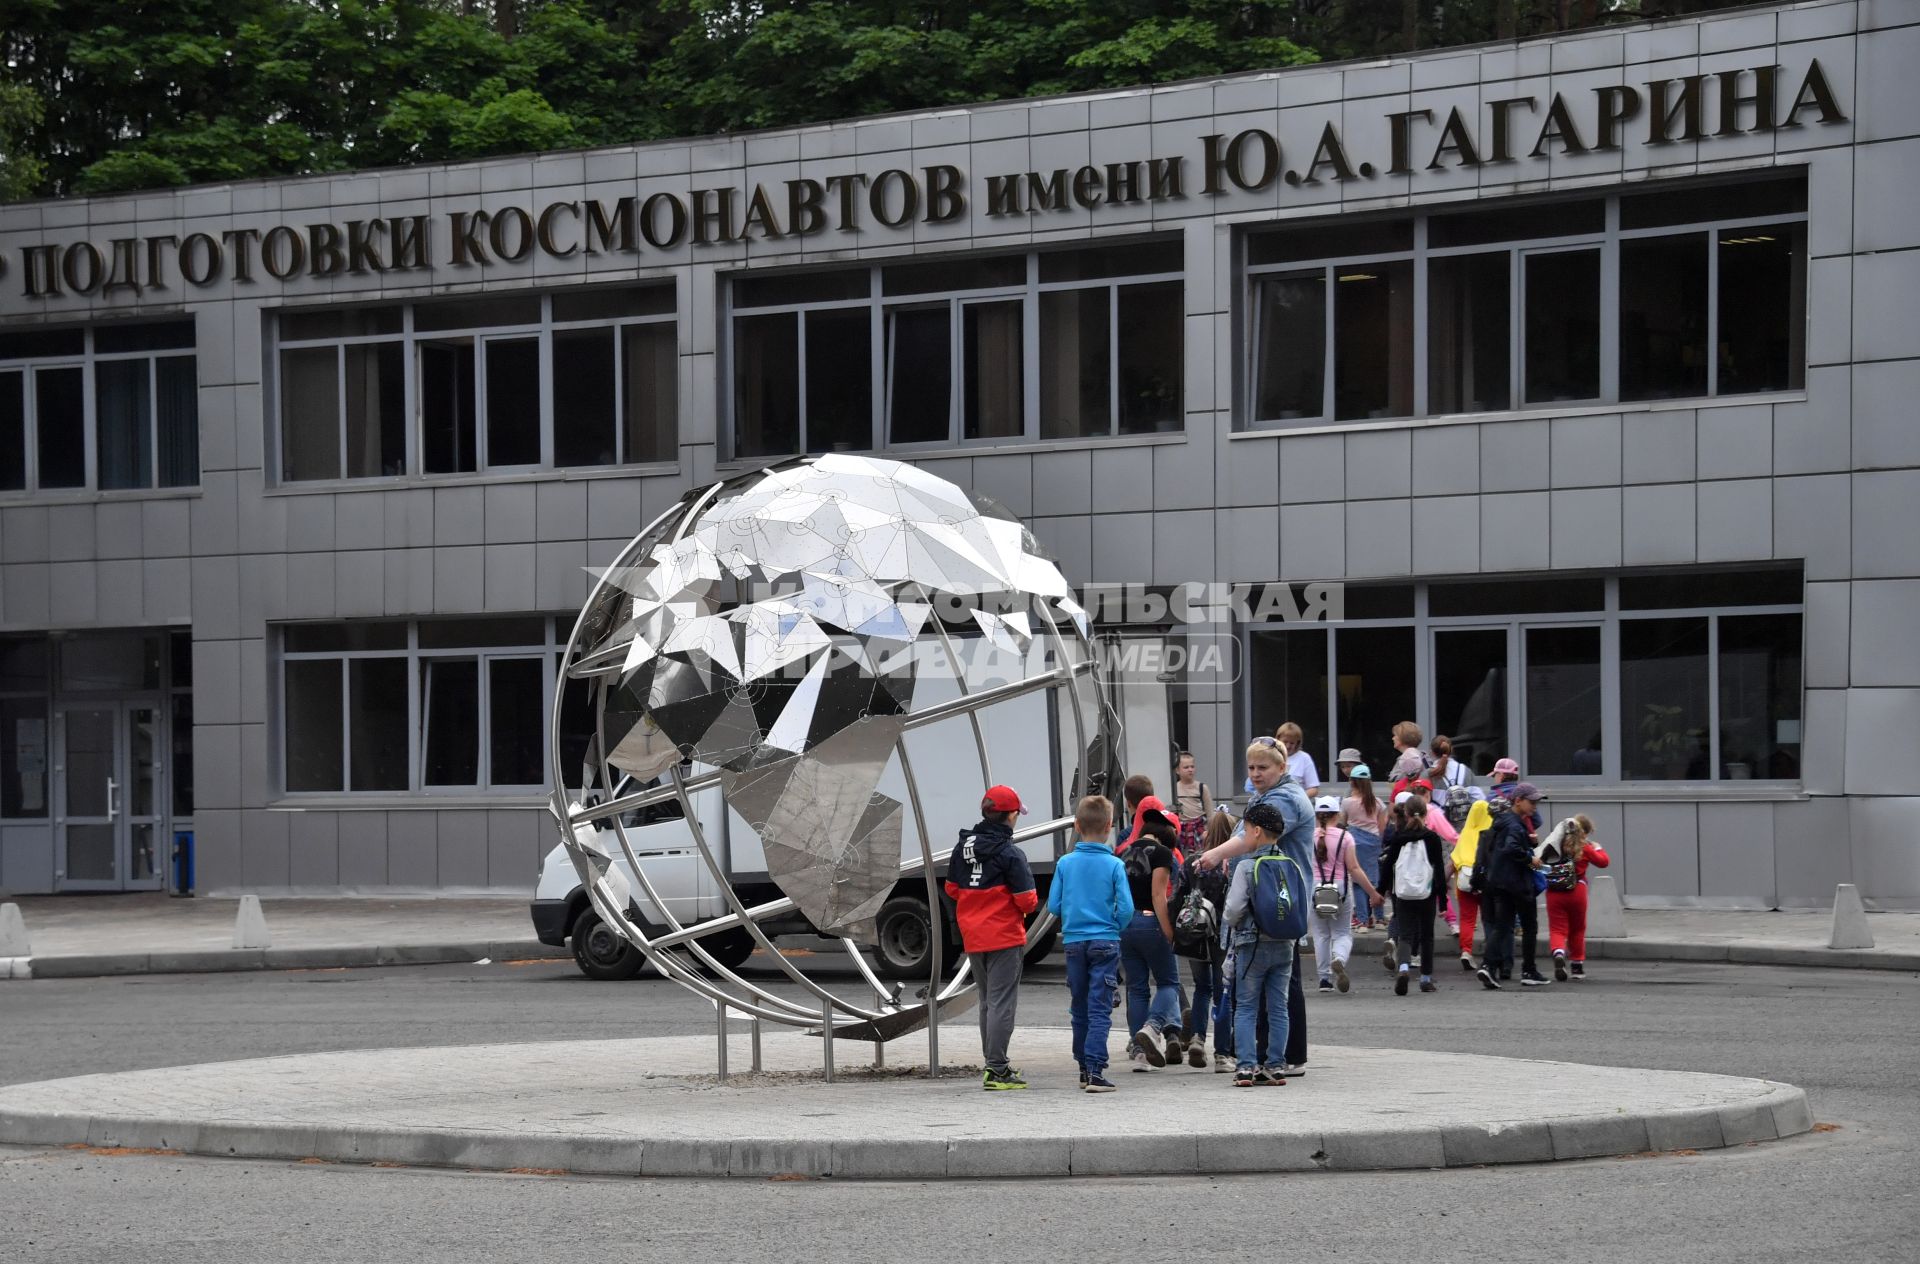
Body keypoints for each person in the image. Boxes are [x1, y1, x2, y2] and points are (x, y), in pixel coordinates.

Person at [1197, 736, 1314, 1078]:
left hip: (1273, 906)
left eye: (1263, 767)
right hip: (1275, 905)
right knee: (1279, 985)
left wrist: (1216, 853)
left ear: (1282, 767)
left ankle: (1278, 1057)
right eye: (1251, 767)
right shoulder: (1267, 796)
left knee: (1270, 989)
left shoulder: (1286, 799)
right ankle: (1274, 1057)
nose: (1256, 773)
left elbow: (1253, 837)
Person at [944, 785, 1040, 1090]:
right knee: (1002, 1002)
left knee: (987, 1001)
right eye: (1016, 814)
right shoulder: (1011, 853)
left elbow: (952, 889)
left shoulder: (963, 848)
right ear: (1009, 816)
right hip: (1004, 934)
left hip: (973, 934)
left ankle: (992, 1063)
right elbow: (1027, 900)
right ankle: (997, 1069)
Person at [1047, 795, 1133, 1092]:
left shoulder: (1065, 863)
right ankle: (1097, 1070)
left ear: (1076, 826)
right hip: (1105, 942)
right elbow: (1126, 909)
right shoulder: (1114, 865)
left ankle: (1083, 1067)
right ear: (1110, 826)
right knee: (1100, 1008)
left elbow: (1054, 905)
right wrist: (1113, 926)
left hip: (1074, 943)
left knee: (1079, 1007)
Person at [1220, 800, 1295, 1086]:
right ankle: (1276, 1066)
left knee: (1247, 1006)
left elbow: (1233, 910)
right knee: (1278, 1006)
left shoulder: (1247, 867)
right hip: (1284, 943)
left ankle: (1245, 1067)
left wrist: (1231, 922)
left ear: (1256, 831)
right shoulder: (1290, 865)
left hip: (1251, 944)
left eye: (1246, 829)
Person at [1119, 802, 1186, 1069]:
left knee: (1136, 988)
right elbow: (1159, 895)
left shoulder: (1123, 853)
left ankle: (1140, 1055)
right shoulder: (1161, 854)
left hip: (1125, 924)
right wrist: (1168, 931)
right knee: (1169, 982)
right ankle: (1153, 1026)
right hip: (1150, 921)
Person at [1474, 782, 1547, 990]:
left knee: (1502, 926)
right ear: (1518, 801)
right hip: (1518, 883)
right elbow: (1510, 848)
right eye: (1531, 802)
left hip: (1500, 882)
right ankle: (1529, 970)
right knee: (1530, 927)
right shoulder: (1515, 825)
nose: (1534, 807)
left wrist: (1529, 843)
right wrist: (1529, 857)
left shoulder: (1503, 822)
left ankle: (1487, 965)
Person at [1307, 795, 1382, 993]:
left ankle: (1324, 980)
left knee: (1321, 935)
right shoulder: (1345, 837)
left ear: (1316, 815)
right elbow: (1354, 868)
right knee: (1342, 933)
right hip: (1339, 887)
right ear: (1338, 815)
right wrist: (1372, 893)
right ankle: (1338, 959)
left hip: (1315, 888)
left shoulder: (1309, 836)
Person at [1380, 791, 1448, 995]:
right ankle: (1426, 979)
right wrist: (1443, 900)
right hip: (1426, 893)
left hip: (1402, 893)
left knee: (1406, 935)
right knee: (1427, 936)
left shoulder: (1399, 837)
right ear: (1426, 814)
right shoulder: (1432, 838)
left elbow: (1388, 866)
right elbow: (1438, 869)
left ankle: (1403, 968)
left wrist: (1381, 892)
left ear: (1406, 814)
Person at [1544, 813, 1610, 981]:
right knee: (1577, 929)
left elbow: (1535, 863)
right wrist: (1597, 848)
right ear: (1584, 832)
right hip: (1577, 891)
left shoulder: (1553, 846)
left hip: (1554, 892)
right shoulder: (1584, 848)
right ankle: (1577, 966)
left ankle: (1558, 952)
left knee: (1557, 929)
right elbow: (1604, 862)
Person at [1341, 764, 1389, 931]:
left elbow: (1343, 823)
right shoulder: (1379, 804)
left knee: (1357, 881)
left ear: (1352, 783)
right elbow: (1382, 827)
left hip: (1354, 841)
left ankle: (1362, 919)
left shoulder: (1347, 803)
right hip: (1373, 841)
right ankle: (1380, 918)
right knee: (1374, 879)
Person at [1451, 799, 1494, 971]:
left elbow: (1454, 859)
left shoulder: (1465, 834)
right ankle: (1490, 953)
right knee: (1489, 918)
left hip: (1465, 883)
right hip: (1485, 882)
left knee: (1467, 919)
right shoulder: (1490, 833)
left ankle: (1466, 952)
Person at [1170, 752, 1214, 853]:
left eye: (1192, 767)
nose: (1190, 770)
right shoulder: (1174, 789)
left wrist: (1208, 832)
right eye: (1186, 767)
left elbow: (1210, 814)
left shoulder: (1202, 788)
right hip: (1180, 831)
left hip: (1199, 830)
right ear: (1177, 770)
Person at [1276, 721, 1320, 798]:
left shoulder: (1304, 758)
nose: (1288, 746)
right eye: (1285, 742)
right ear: (1278, 739)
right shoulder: (1271, 756)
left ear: (1298, 743)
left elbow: (1313, 789)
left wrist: (1297, 798)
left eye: (1292, 743)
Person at [1388, 721, 1428, 785]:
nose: (1393, 738)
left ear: (1403, 738)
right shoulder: (1423, 757)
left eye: (1395, 735)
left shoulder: (1407, 759)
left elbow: (1396, 782)